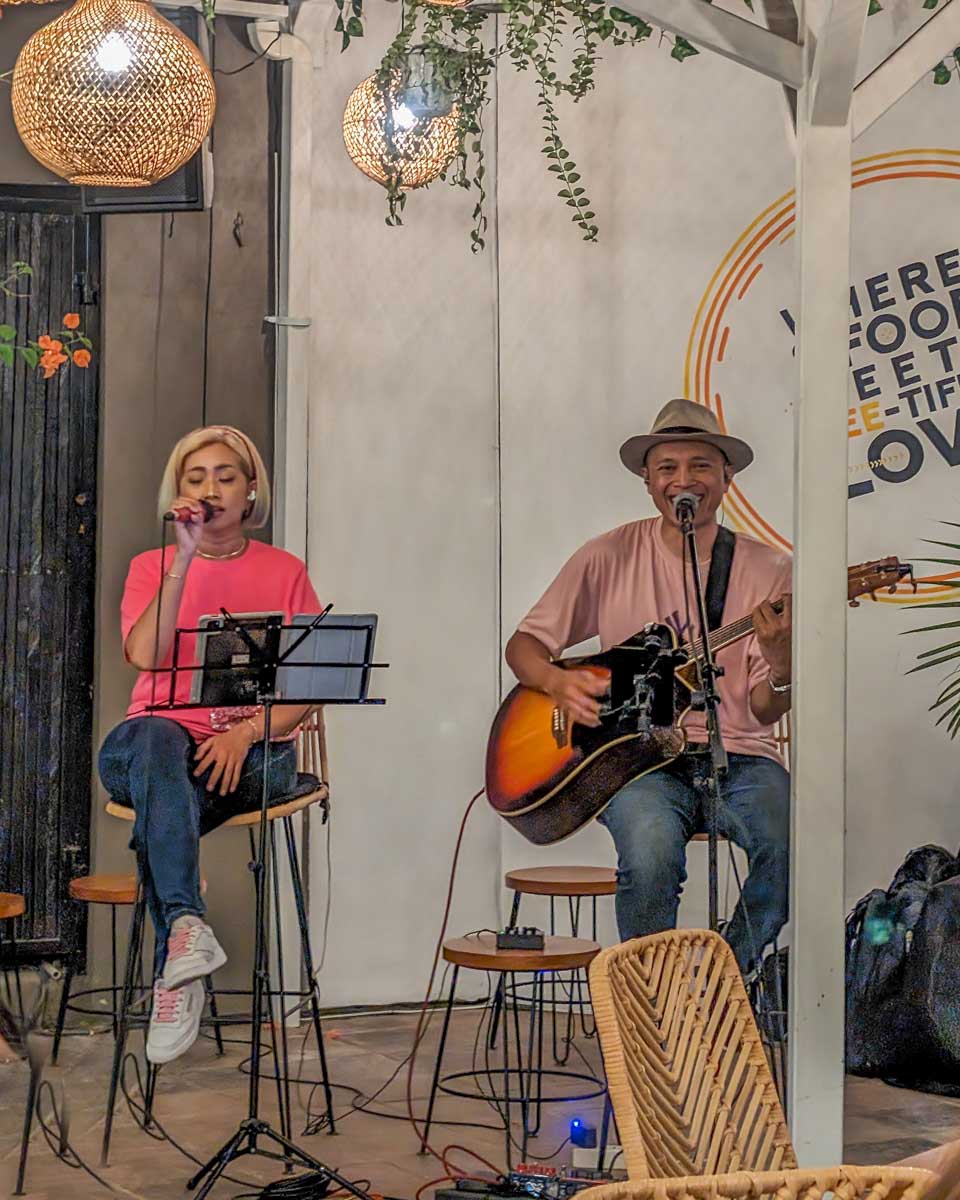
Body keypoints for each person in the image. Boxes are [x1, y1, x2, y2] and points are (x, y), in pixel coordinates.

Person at [505, 398, 793, 976]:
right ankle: (651, 1001)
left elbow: (763, 711)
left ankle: (723, 981)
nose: (683, 480)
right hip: (634, 761)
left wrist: (783, 663)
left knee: (794, 845)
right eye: (667, 467)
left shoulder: (771, 570)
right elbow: (524, 647)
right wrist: (556, 683)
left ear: (727, 478)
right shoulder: (607, 555)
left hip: (738, 755)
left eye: (700, 466)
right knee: (651, 854)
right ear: (648, 479)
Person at [98, 425, 321, 1065]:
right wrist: (183, 559)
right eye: (196, 478)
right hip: (153, 747)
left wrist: (246, 731)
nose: (211, 488)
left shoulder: (285, 572)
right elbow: (145, 655)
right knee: (157, 744)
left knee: (163, 805)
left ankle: (179, 954)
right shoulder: (153, 567)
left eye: (226, 476)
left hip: (254, 757)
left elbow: (309, 688)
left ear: (251, 490)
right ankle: (186, 931)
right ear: (179, 493)